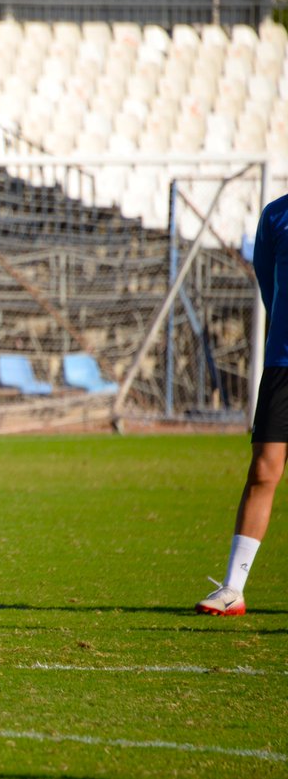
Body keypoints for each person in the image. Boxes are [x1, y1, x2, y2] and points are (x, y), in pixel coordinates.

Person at [197, 191, 288, 616]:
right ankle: (233, 588)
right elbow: (271, 286)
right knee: (264, 468)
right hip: (283, 364)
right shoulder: (276, 215)